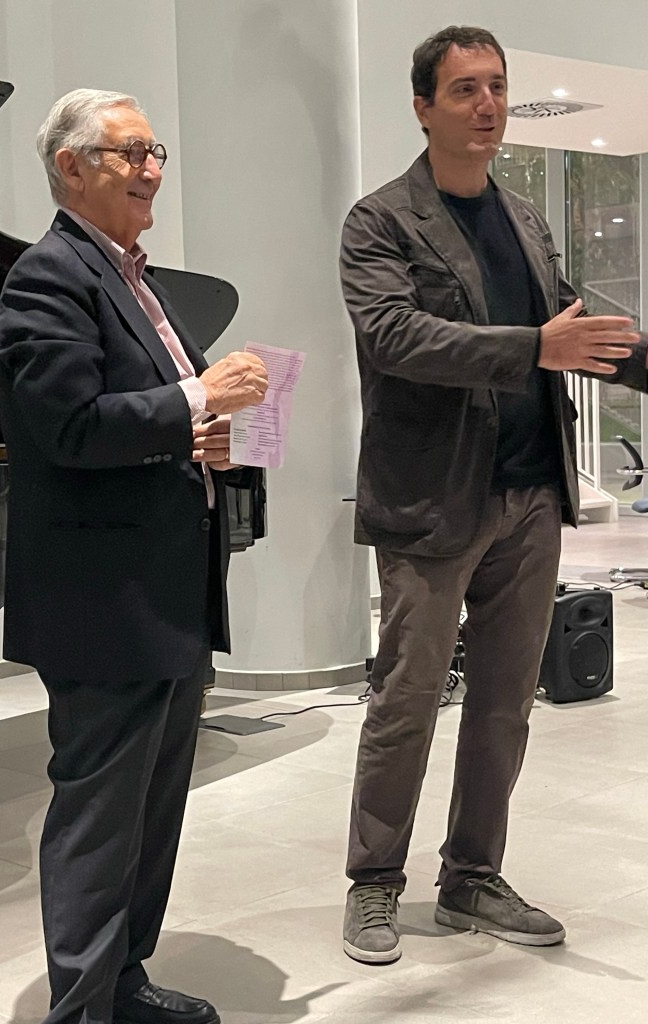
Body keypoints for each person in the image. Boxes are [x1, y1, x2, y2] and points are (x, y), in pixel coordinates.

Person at [339, 25, 648, 965]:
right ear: (423, 106)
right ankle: (373, 882)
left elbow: (576, 327)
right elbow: (394, 336)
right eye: (466, 89)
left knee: (506, 704)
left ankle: (472, 876)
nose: (488, 105)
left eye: (499, 87)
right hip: (433, 502)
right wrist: (532, 348)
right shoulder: (380, 221)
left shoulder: (525, 220)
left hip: (529, 495)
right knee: (407, 701)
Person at [0, 89, 267, 1024]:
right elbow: (69, 425)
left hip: (167, 590)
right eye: (130, 152)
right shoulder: (47, 278)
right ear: (71, 167)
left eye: (156, 152)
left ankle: (123, 981)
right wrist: (199, 399)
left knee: (152, 810)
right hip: (104, 600)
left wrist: (205, 437)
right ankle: (81, 1008)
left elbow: (143, 421)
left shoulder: (139, 280)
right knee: (100, 818)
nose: (152, 170)